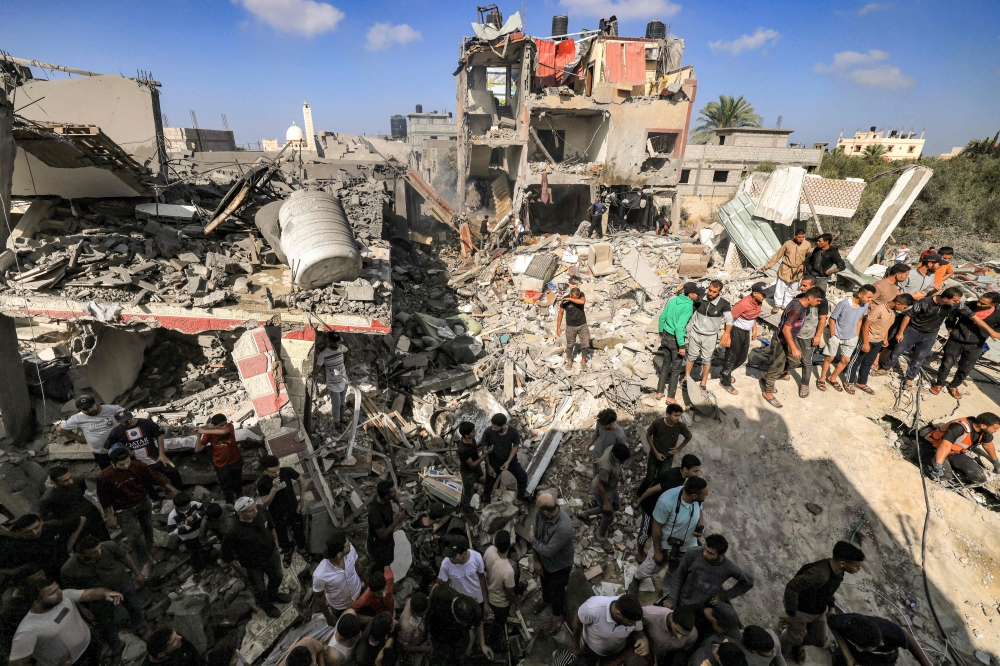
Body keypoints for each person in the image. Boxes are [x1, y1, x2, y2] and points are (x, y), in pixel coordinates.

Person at [877, 287, 1000, 389]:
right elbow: (908, 316)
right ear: (945, 299)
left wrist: (991, 332)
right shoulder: (924, 302)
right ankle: (886, 368)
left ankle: (909, 379)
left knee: (919, 357)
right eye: (955, 301)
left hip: (930, 335)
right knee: (897, 351)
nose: (957, 303)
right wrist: (900, 332)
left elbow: (974, 317)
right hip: (912, 330)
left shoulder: (956, 305)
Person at [780, 541, 866, 664]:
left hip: (818, 611)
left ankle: (796, 644)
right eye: (857, 566)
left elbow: (828, 590)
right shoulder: (819, 574)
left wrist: (831, 607)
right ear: (843, 563)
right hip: (801, 611)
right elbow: (792, 587)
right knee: (793, 637)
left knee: (819, 640)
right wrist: (790, 613)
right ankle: (780, 649)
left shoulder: (839, 572)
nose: (859, 569)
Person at [9, 579, 122, 666]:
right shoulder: (27, 630)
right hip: (73, 663)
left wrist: (105, 593)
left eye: (58, 588)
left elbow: (91, 593)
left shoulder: (64, 596)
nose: (59, 592)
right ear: (36, 602)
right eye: (52, 593)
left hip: (91, 644)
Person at [61, 536, 146, 651]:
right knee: (106, 623)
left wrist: (138, 573)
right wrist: (82, 608)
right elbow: (71, 592)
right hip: (98, 598)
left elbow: (124, 556)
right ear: (81, 555)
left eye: (99, 548)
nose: (99, 552)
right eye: (93, 552)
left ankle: (140, 627)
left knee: (134, 606)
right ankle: (116, 646)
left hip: (122, 583)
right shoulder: (69, 569)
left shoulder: (109, 546)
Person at [97, 447, 178, 568]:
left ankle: (150, 548)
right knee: (133, 535)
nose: (126, 466)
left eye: (128, 462)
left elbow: (155, 478)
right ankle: (143, 559)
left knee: (147, 526)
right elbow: (104, 498)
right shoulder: (104, 476)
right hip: (123, 509)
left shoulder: (138, 466)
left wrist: (173, 489)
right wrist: (110, 516)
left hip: (142, 501)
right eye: (121, 464)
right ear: (112, 463)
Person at [630, 476, 709, 595]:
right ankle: (636, 580)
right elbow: (656, 527)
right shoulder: (666, 501)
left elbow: (700, 508)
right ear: (694, 496)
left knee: (675, 571)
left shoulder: (696, 498)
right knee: (650, 568)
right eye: (705, 494)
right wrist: (657, 551)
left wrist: (700, 523)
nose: (706, 496)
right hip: (665, 546)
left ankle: (666, 590)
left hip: (687, 547)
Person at [221, 497, 290, 618]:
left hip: (271, 554)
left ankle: (273, 594)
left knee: (278, 576)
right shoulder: (232, 532)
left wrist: (276, 544)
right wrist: (242, 570)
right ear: (240, 513)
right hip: (252, 565)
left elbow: (271, 526)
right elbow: (226, 556)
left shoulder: (260, 510)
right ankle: (266, 605)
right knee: (259, 588)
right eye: (250, 511)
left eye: (255, 508)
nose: (255, 512)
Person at [632, 454, 701, 569]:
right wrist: (639, 501)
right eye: (695, 471)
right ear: (685, 469)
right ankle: (640, 554)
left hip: (659, 510)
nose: (697, 474)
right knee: (645, 532)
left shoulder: (680, 476)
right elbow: (651, 490)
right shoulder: (672, 479)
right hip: (650, 508)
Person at [762, 287, 826, 407]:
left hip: (791, 338)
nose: (819, 303)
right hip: (781, 340)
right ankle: (768, 392)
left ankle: (768, 377)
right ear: (810, 298)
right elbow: (786, 329)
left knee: (795, 362)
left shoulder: (800, 304)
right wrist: (794, 348)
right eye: (818, 301)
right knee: (777, 367)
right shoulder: (797, 310)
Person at [932, 292, 1000, 399]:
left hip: (976, 344)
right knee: (946, 364)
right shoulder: (968, 305)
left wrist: (988, 333)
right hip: (956, 340)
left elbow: (998, 328)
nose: (978, 304)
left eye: (983, 304)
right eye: (979, 300)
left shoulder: (998, 313)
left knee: (965, 368)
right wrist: (950, 328)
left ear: (993, 304)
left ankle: (954, 386)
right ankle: (939, 384)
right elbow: (951, 316)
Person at [844, 294, 913, 395]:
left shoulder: (892, 312)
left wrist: (885, 339)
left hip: (878, 341)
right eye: (904, 307)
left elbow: (885, 327)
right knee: (856, 361)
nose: (904, 310)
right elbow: (866, 326)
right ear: (898, 303)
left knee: (868, 363)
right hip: (868, 339)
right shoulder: (879, 310)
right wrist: (866, 343)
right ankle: (848, 382)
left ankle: (861, 383)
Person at [664, 534, 754, 611]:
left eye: (710, 553)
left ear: (721, 556)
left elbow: (748, 581)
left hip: (703, 608)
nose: (704, 554)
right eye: (705, 549)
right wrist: (672, 599)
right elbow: (679, 576)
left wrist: (724, 596)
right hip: (682, 600)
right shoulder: (693, 553)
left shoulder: (729, 567)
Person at [530, 492, 575, 634]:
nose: (536, 510)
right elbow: (537, 536)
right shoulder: (540, 515)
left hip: (560, 566)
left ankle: (557, 616)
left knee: (558, 591)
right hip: (545, 562)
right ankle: (545, 599)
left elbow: (548, 550)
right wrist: (536, 560)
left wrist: (532, 540)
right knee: (545, 583)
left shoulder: (563, 527)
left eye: (538, 507)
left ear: (545, 510)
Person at [105, 410, 183, 491]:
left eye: (129, 419)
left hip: (154, 456)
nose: (128, 422)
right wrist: (124, 455)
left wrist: (162, 454)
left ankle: (180, 492)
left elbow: (159, 436)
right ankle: (155, 499)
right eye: (124, 421)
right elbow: (106, 448)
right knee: (143, 481)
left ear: (132, 416)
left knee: (173, 470)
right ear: (118, 422)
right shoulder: (116, 432)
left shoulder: (146, 423)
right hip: (134, 462)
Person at [820, 285, 874, 393]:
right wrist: (832, 334)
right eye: (869, 297)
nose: (870, 300)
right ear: (860, 294)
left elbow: (860, 320)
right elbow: (832, 319)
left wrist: (857, 335)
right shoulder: (844, 304)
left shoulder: (864, 306)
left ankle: (832, 378)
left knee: (846, 360)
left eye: (871, 298)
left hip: (851, 337)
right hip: (837, 335)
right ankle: (822, 378)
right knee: (830, 358)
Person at [40, 466, 110, 546]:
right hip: (76, 525)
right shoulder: (48, 499)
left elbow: (81, 492)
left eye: (70, 478)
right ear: (54, 482)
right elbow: (45, 520)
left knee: (105, 541)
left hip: (93, 516)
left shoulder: (78, 481)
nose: (70, 482)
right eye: (65, 481)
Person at [828, 613, 933, 666]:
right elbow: (830, 619)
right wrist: (848, 656)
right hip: (856, 654)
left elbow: (909, 639)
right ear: (859, 647)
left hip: (884, 659)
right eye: (876, 644)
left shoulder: (891, 632)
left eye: (880, 640)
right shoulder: (844, 622)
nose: (882, 643)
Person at [578, 442, 630, 549]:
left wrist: (622, 474)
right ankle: (600, 534)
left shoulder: (612, 447)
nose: (622, 463)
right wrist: (606, 502)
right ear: (613, 455)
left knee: (616, 507)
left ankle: (585, 513)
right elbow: (599, 485)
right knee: (608, 514)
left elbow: (619, 465)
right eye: (621, 461)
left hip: (612, 487)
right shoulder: (606, 467)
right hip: (604, 491)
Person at [257, 455, 307, 565]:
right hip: (276, 513)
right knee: (282, 534)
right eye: (273, 472)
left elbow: (301, 479)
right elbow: (265, 503)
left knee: (298, 528)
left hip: (292, 507)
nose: (277, 474)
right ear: (266, 471)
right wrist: (274, 488)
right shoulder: (262, 482)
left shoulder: (287, 471)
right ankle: (288, 551)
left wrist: (302, 499)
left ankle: (301, 548)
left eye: (278, 470)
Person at [427, 580, 493, 663]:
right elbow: (434, 589)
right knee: (442, 652)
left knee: (460, 655)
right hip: (441, 629)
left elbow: (478, 624)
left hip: (460, 636)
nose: (465, 624)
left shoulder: (475, 609)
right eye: (461, 621)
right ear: (453, 610)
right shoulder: (443, 594)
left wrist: (482, 644)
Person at [572, 593, 649, 665]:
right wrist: (576, 647)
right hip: (592, 649)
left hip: (618, 650)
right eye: (630, 622)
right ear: (619, 614)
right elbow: (577, 625)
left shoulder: (632, 613)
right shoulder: (592, 609)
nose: (634, 625)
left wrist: (643, 638)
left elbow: (639, 631)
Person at [923, 413, 1000, 484]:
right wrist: (938, 465)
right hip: (935, 448)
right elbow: (945, 445)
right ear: (983, 425)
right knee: (944, 475)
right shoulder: (959, 427)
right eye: (995, 429)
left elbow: (988, 444)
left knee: (979, 477)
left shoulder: (984, 432)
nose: (996, 431)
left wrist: (995, 462)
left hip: (954, 452)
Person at [657, 282, 701, 402]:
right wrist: (681, 345)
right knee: (676, 370)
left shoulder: (673, 300)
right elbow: (679, 328)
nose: (698, 295)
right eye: (696, 293)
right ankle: (670, 397)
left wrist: (661, 334)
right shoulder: (688, 307)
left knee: (665, 365)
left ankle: (659, 392)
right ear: (690, 294)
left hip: (665, 336)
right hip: (675, 340)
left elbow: (662, 318)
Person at [720, 283, 766, 395]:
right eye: (763, 294)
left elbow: (753, 316)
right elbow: (730, 319)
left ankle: (726, 372)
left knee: (741, 358)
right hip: (736, 331)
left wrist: (754, 329)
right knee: (731, 357)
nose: (765, 297)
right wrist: (727, 335)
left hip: (745, 332)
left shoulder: (758, 302)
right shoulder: (743, 304)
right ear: (755, 293)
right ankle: (725, 382)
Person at [685, 280, 732, 390]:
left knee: (706, 360)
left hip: (710, 337)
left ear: (720, 292)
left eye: (714, 292)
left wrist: (727, 333)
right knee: (691, 356)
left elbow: (729, 319)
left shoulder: (724, 304)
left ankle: (703, 382)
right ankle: (686, 377)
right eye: (709, 290)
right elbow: (688, 308)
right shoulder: (700, 298)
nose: (710, 293)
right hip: (695, 333)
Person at [312, 532, 365, 626]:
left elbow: (358, 566)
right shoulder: (320, 575)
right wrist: (329, 618)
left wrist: (367, 583)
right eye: (347, 545)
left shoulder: (351, 550)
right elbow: (319, 598)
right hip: (341, 607)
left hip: (359, 594)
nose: (350, 544)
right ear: (339, 554)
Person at [0, 513, 72, 580]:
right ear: (20, 531)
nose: (35, 533)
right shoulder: (18, 549)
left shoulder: (49, 530)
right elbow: (15, 570)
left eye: (37, 527)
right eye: (28, 531)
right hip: (53, 575)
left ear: (41, 521)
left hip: (67, 564)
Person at [57, 396, 122, 469]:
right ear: (81, 409)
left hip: (120, 448)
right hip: (101, 453)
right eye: (85, 409)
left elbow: (128, 417)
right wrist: (79, 439)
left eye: (91, 406)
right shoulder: (78, 418)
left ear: (95, 403)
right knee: (109, 474)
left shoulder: (112, 409)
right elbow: (61, 429)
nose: (90, 410)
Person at [194, 414, 244, 504]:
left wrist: (204, 431)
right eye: (221, 425)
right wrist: (198, 436)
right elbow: (198, 449)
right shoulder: (209, 433)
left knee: (237, 482)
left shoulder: (229, 426)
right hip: (221, 464)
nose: (224, 426)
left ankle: (240, 498)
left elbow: (224, 432)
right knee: (226, 486)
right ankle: (230, 504)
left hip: (235, 460)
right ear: (214, 426)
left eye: (225, 423)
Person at [482, 413, 530, 505]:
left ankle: (519, 499)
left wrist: (508, 462)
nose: (493, 429)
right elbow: (484, 449)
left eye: (495, 427)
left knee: (523, 477)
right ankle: (486, 500)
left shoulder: (513, 430)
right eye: (492, 426)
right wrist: (488, 466)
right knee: (489, 483)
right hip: (494, 462)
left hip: (510, 461)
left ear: (503, 426)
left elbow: (516, 446)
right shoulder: (488, 432)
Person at [437, 535, 489, 615]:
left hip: (477, 600)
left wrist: (485, 602)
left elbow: (482, 578)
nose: (450, 559)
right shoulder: (445, 565)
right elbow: (445, 586)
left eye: (454, 556)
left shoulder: (476, 558)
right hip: (459, 603)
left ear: (463, 553)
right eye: (449, 556)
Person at [763, 229, 811, 313]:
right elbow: (778, 255)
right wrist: (767, 266)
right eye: (799, 237)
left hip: (797, 271)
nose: (801, 239)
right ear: (795, 236)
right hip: (785, 269)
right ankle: (777, 305)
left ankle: (785, 305)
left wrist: (804, 265)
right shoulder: (788, 244)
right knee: (780, 288)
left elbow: (809, 257)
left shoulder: (807, 245)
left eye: (803, 237)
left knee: (792, 290)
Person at [483, 530, 516, 646]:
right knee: (499, 623)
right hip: (500, 603)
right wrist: (515, 603)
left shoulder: (489, 550)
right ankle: (494, 643)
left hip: (488, 593)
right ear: (510, 545)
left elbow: (485, 569)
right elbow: (510, 593)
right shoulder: (508, 570)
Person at [645, 404, 692, 481]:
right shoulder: (658, 423)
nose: (678, 418)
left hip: (668, 456)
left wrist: (679, 449)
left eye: (679, 415)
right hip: (654, 454)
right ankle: (642, 492)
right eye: (675, 415)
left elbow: (689, 436)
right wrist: (656, 453)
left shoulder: (680, 426)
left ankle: (655, 492)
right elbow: (648, 435)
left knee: (661, 478)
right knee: (649, 478)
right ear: (667, 414)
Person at [315, 333, 352, 431]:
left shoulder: (341, 348)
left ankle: (341, 417)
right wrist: (313, 373)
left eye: (338, 341)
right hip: (333, 384)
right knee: (336, 404)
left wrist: (345, 363)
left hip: (343, 380)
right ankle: (337, 422)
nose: (337, 344)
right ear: (330, 342)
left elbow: (347, 351)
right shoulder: (324, 354)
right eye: (335, 342)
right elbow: (317, 368)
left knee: (342, 401)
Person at [166, 492, 209, 572]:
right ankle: (198, 569)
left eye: (188, 504)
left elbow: (207, 508)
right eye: (185, 506)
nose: (188, 506)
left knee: (202, 547)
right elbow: (170, 532)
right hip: (188, 538)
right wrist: (185, 528)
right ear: (178, 507)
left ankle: (207, 563)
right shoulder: (172, 516)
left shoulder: (193, 504)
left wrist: (196, 516)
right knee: (194, 553)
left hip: (199, 532)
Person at [368, 479, 405, 569]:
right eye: (392, 492)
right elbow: (383, 535)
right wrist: (398, 519)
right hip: (379, 545)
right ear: (386, 497)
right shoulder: (375, 513)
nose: (395, 492)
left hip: (388, 540)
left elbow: (394, 496)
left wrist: (400, 503)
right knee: (383, 563)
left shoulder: (381, 496)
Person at [456, 421, 490, 516]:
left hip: (476, 468)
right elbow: (472, 464)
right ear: (466, 435)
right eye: (473, 431)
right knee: (468, 493)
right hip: (468, 473)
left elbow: (475, 455)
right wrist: (485, 455)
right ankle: (465, 509)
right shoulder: (463, 449)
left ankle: (486, 488)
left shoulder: (472, 439)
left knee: (480, 478)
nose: (475, 432)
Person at [557, 286, 590, 370]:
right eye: (574, 297)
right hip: (571, 326)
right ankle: (569, 361)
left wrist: (570, 299)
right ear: (570, 294)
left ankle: (583, 361)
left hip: (582, 325)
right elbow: (560, 313)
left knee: (586, 344)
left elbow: (582, 302)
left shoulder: (581, 295)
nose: (577, 299)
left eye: (577, 297)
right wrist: (558, 328)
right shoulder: (565, 300)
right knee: (570, 345)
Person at [397, 592, 431, 662]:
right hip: (413, 646)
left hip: (420, 635)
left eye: (425, 613)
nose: (424, 616)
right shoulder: (406, 626)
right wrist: (420, 648)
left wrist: (428, 636)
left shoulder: (417, 600)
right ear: (413, 611)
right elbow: (403, 646)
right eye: (421, 615)